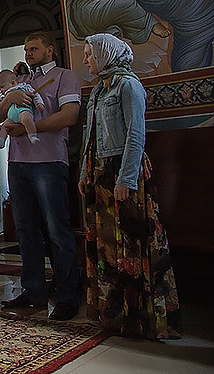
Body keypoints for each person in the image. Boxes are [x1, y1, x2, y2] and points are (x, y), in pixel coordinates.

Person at [79, 33, 181, 339]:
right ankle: (115, 313)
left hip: (124, 172)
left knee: (131, 244)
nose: (85, 59)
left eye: (89, 54)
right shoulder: (99, 89)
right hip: (99, 172)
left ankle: (140, 319)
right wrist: (84, 172)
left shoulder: (128, 85)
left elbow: (136, 135)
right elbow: (91, 136)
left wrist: (125, 178)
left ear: (105, 54)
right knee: (108, 245)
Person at [0, 31, 81, 320]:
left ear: (50, 50)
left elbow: (69, 116)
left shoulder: (64, 77)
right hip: (18, 163)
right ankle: (33, 291)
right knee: (26, 230)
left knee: (57, 229)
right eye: (26, 49)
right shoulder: (21, 81)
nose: (28, 53)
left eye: (34, 48)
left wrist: (30, 128)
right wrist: (10, 100)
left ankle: (68, 295)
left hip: (49, 162)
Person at [0, 69, 46, 149]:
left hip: (23, 110)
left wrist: (39, 103)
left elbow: (35, 95)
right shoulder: (6, 94)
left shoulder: (24, 86)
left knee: (27, 119)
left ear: (12, 83)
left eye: (2, 87)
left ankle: (32, 135)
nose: (1, 91)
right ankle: (0, 141)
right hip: (11, 116)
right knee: (4, 126)